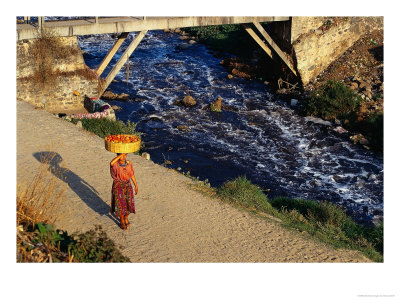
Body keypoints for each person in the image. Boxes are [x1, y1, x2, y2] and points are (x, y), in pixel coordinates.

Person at [110, 153, 139, 230]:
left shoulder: (129, 163)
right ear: (118, 156)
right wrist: (120, 155)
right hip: (118, 185)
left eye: (125, 155)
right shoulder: (115, 164)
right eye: (122, 155)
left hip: (127, 185)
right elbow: (111, 163)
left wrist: (135, 185)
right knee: (120, 203)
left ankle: (126, 217)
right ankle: (122, 220)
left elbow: (131, 174)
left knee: (129, 202)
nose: (124, 157)